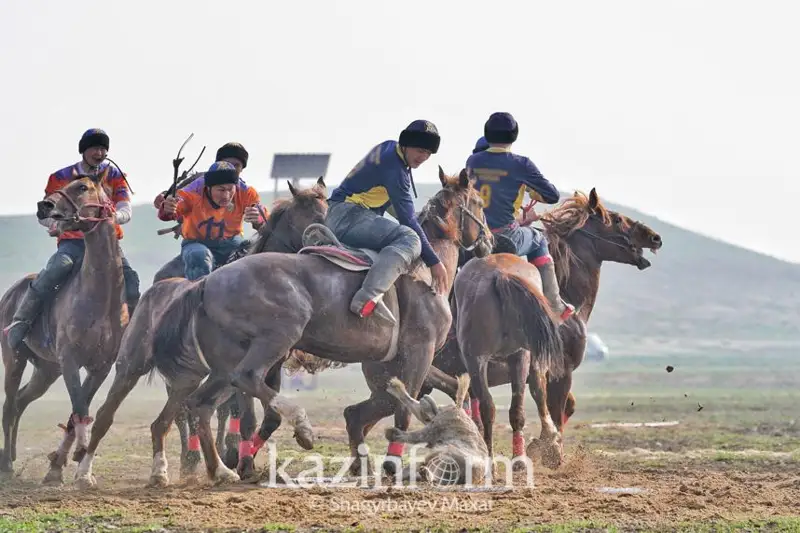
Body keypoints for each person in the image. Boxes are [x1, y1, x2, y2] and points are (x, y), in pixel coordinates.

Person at [3, 128, 141, 350]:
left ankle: (135, 337)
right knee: (56, 269)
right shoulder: (60, 177)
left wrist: (117, 215)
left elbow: (125, 207)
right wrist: (55, 224)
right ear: (84, 151)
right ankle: (21, 322)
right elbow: (45, 213)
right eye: (95, 148)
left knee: (131, 280)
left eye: (104, 148)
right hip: (73, 241)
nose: (100, 152)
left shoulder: (115, 176)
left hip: (106, 243)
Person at [325, 120, 449, 326]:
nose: (423, 157)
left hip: (340, 212)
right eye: (419, 150)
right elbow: (407, 220)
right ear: (406, 144)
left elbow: (393, 205)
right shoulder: (396, 170)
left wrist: (412, 218)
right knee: (410, 239)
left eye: (428, 153)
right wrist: (434, 262)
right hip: (349, 216)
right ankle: (367, 298)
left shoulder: (389, 148)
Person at [466, 112, 575, 322]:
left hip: (476, 237)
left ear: (487, 134)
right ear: (514, 136)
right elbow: (552, 195)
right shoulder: (521, 164)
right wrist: (528, 187)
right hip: (507, 236)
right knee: (539, 239)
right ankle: (554, 302)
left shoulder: (473, 160)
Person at [158, 160, 266, 280]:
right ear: (208, 188)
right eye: (221, 190)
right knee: (199, 255)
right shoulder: (190, 195)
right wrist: (167, 208)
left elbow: (264, 215)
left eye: (230, 189)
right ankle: (198, 295)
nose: (226, 196)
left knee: (255, 251)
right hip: (196, 244)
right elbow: (169, 213)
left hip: (231, 243)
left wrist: (259, 217)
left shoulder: (246, 193)